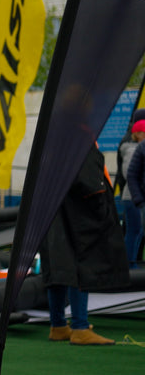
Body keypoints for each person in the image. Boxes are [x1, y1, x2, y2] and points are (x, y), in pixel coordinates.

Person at [41, 145, 129, 345]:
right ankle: (80, 327)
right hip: (76, 215)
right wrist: (102, 205)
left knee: (57, 268)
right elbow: (90, 183)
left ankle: (58, 325)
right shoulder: (81, 142)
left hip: (49, 213)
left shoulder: (52, 141)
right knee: (80, 267)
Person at [120, 118, 145, 267]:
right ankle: (129, 264)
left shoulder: (135, 148)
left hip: (133, 196)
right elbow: (129, 174)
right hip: (132, 197)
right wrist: (139, 198)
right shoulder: (132, 150)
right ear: (138, 134)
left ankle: (131, 263)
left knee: (137, 232)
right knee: (134, 232)